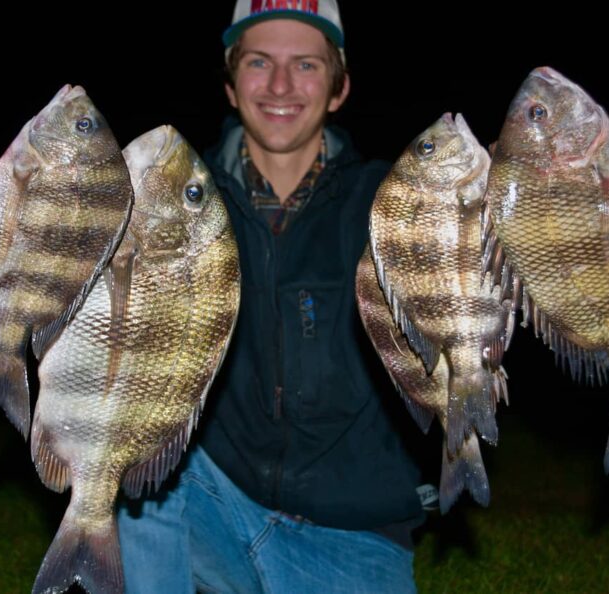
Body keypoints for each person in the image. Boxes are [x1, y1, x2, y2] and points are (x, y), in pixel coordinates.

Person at [118, 2, 427, 592]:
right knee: (125, 461)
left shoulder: (393, 200)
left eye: (306, 65)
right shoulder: (176, 202)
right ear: (231, 85)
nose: (281, 85)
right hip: (216, 501)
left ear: (338, 89)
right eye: (259, 62)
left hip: (354, 537)